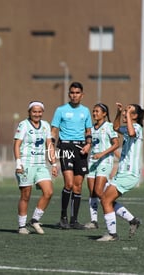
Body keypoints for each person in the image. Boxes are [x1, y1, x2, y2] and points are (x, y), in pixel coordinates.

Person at [97, 103, 144, 241]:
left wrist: (128, 115)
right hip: (122, 173)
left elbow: (131, 133)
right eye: (125, 111)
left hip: (129, 174)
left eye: (129, 111)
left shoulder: (137, 128)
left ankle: (112, 234)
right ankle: (133, 220)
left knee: (105, 200)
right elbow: (116, 127)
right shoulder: (130, 126)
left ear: (135, 116)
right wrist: (118, 113)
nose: (125, 113)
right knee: (107, 199)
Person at [51, 81, 93, 229]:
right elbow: (54, 131)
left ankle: (74, 220)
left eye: (77, 93)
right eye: (72, 93)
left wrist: (88, 144)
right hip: (66, 146)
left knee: (78, 186)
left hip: (80, 147)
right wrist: (52, 148)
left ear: (82, 95)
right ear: (69, 94)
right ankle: (63, 217)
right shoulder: (61, 110)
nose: (74, 95)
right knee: (68, 183)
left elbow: (88, 131)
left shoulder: (86, 111)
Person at [14, 101, 58, 235]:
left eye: (39, 112)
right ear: (29, 112)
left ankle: (34, 220)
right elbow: (16, 145)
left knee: (49, 191)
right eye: (34, 112)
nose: (37, 114)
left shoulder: (45, 125)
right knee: (26, 195)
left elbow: (49, 145)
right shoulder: (23, 125)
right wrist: (18, 163)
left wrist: (54, 164)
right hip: (26, 164)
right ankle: (22, 226)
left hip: (41, 165)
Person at [84, 103, 119, 229]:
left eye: (97, 111)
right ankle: (94, 221)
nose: (94, 114)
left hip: (105, 161)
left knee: (99, 191)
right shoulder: (91, 129)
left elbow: (116, 144)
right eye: (93, 111)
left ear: (104, 113)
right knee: (92, 192)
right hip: (92, 162)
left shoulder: (109, 126)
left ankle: (124, 214)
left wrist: (101, 154)